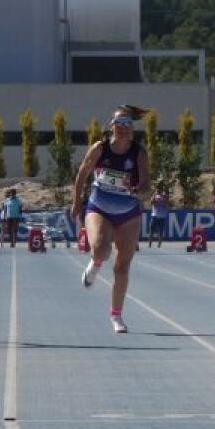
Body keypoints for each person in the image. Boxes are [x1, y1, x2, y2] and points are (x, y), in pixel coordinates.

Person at [72, 105, 151, 334]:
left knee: (122, 267)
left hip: (128, 213)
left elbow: (147, 190)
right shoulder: (100, 148)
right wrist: (76, 202)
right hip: (99, 207)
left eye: (128, 124)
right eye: (119, 123)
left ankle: (116, 316)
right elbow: (82, 174)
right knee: (99, 249)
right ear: (111, 127)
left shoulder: (138, 153)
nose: (124, 128)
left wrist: (135, 191)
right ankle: (95, 263)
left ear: (133, 130)